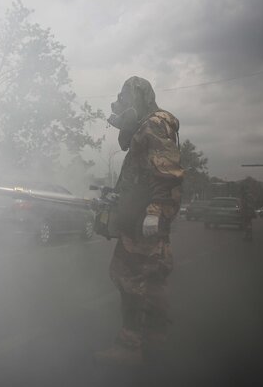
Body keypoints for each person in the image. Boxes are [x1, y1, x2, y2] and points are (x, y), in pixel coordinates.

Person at [94, 76, 183, 365]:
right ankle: (156, 337)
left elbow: (167, 171)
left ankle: (129, 347)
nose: (121, 106)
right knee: (153, 279)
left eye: (124, 99)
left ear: (139, 98)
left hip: (144, 220)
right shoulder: (147, 126)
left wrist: (155, 210)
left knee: (128, 277)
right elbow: (143, 174)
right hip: (142, 216)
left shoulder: (154, 124)